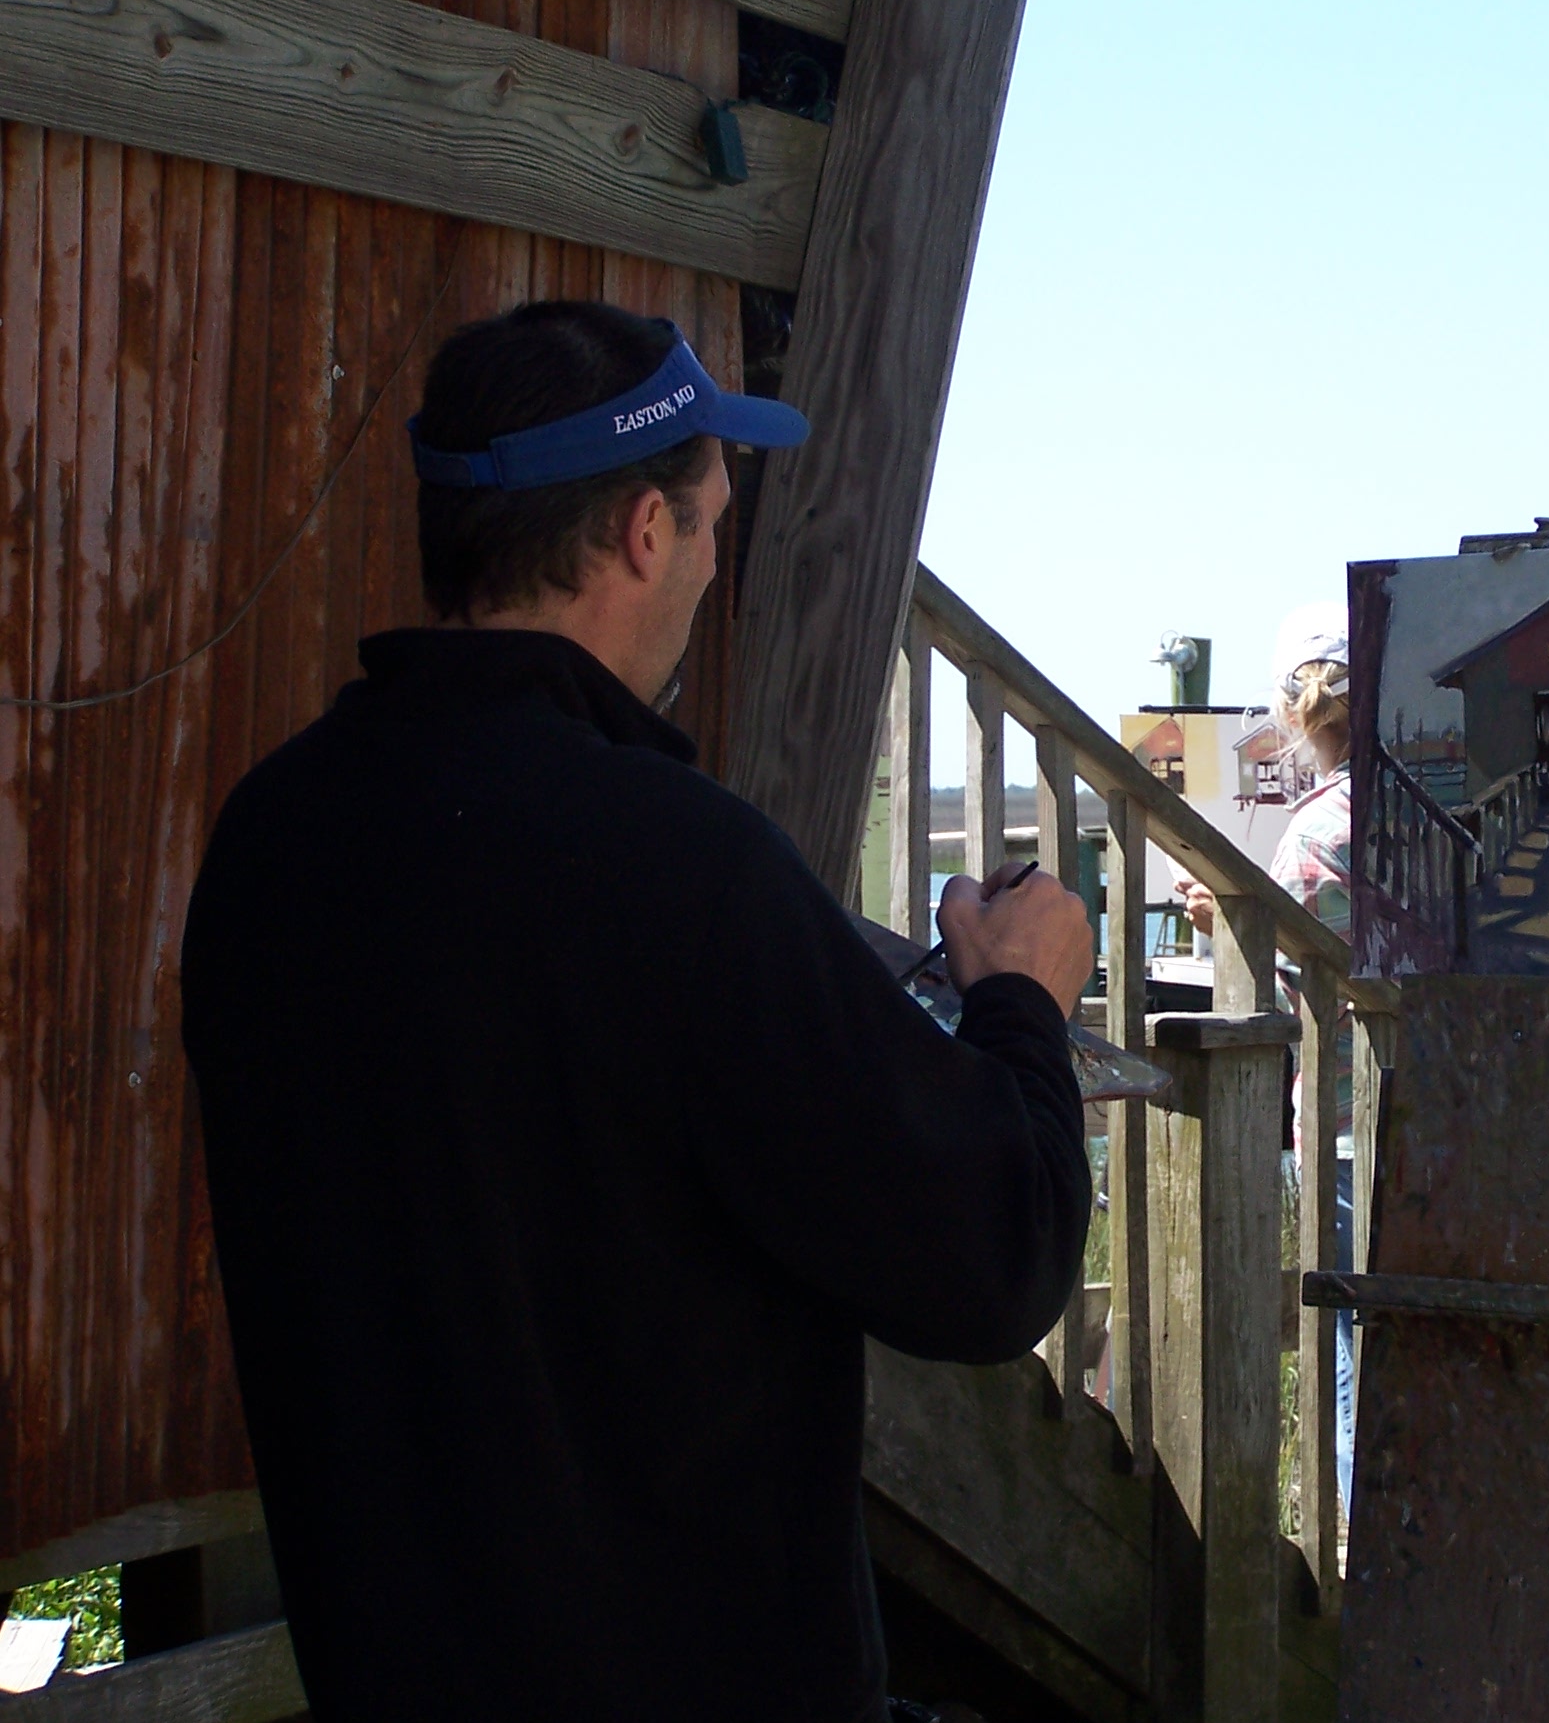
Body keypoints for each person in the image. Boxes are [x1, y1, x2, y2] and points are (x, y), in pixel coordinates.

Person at [180, 302, 1097, 1723]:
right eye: (714, 523)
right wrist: (1022, 1001)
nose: (714, 566)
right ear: (644, 533)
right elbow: (994, 1258)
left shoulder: (270, 841)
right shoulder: (680, 865)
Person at [1172, 602, 1356, 1499]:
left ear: (1292, 710)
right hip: (1447, 1107)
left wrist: (1227, 925)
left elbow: (1294, 984)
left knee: (1355, 1333)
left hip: (1350, 1121)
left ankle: (1365, 1544)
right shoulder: (1424, 801)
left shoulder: (1317, 831)